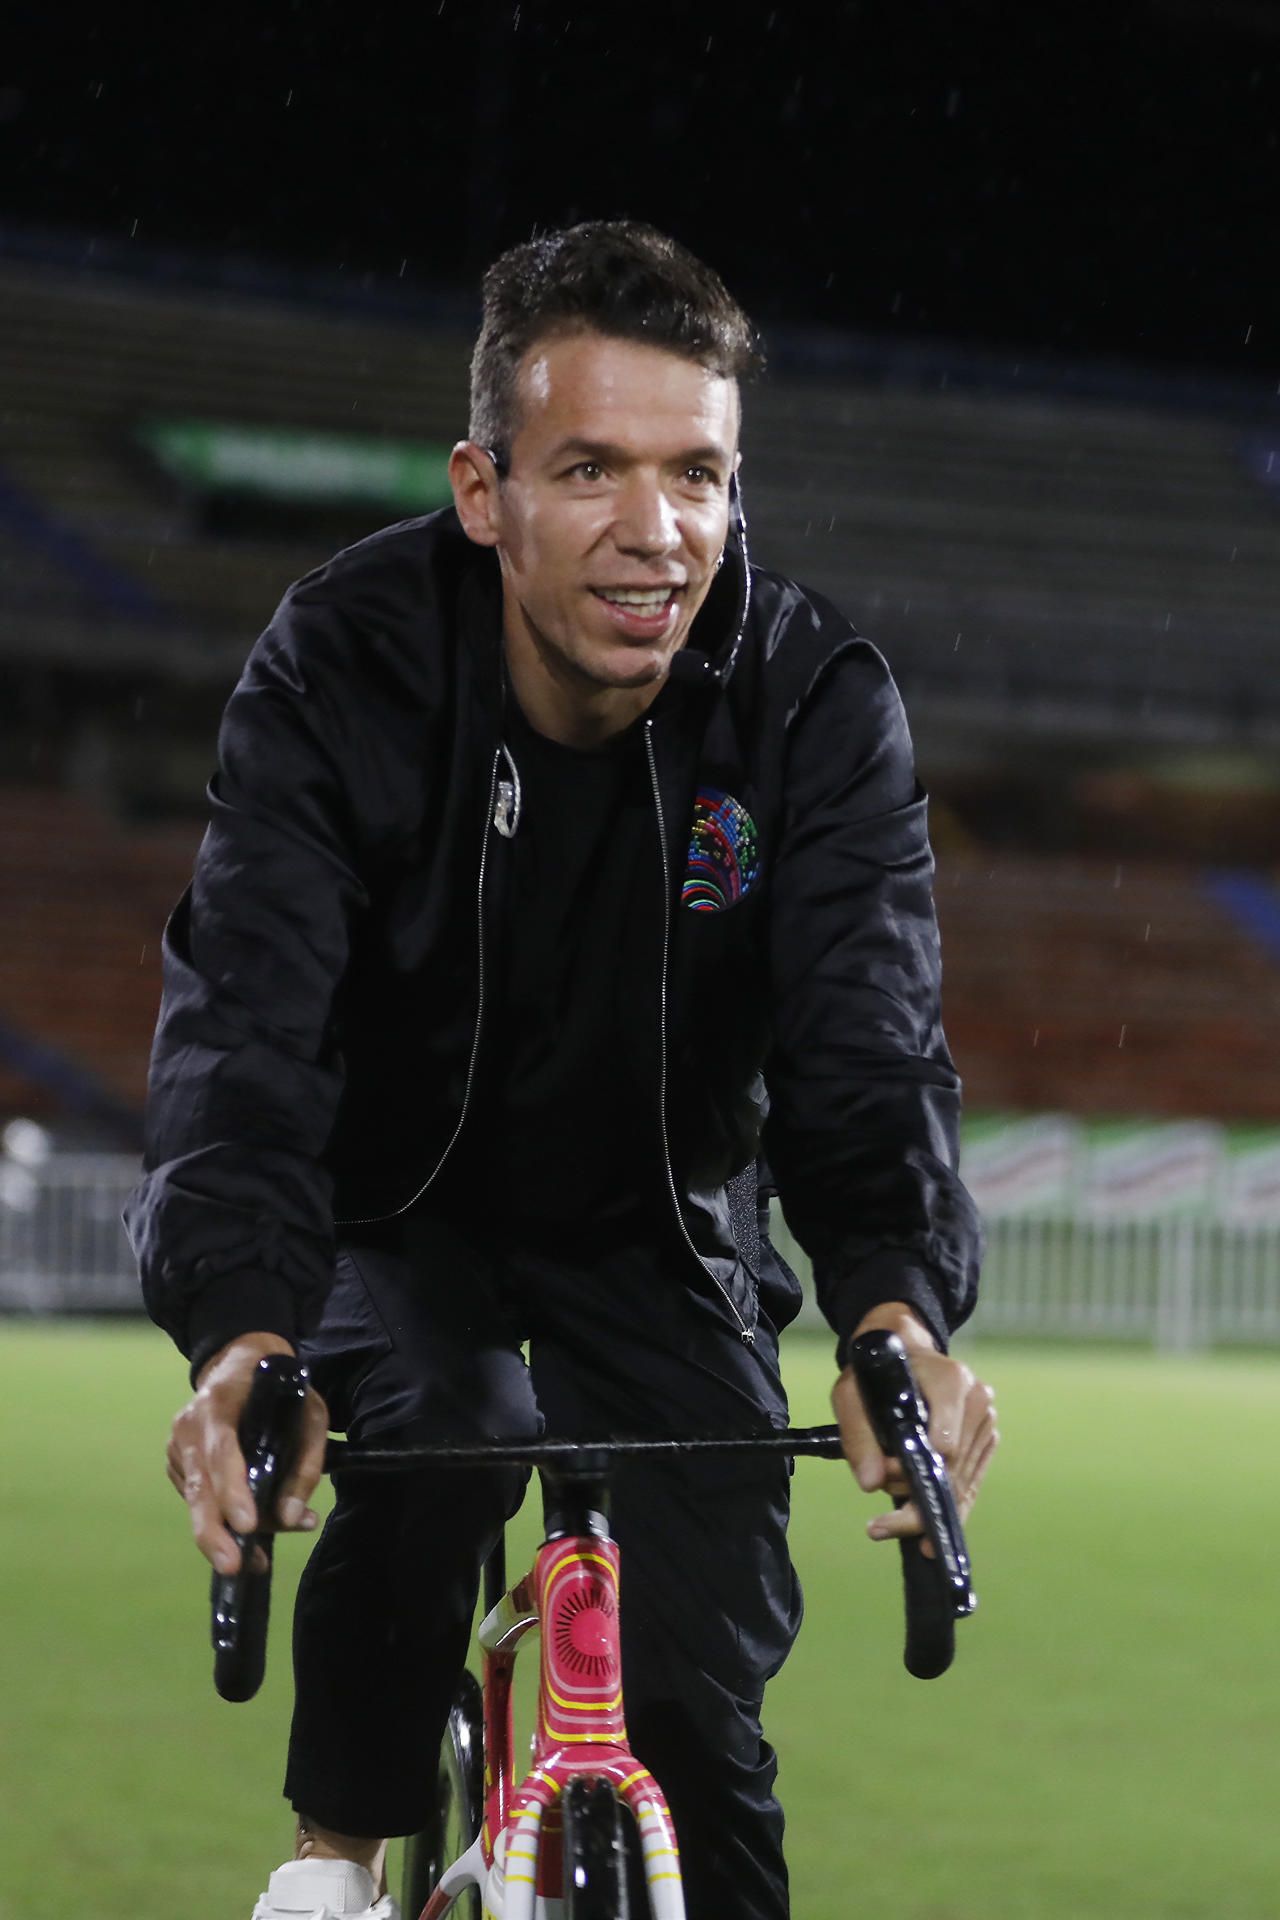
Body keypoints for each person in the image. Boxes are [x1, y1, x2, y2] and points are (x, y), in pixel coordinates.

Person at [126, 221, 997, 1920]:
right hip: (398, 1216)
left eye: (699, 475)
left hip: (659, 1229)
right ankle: (336, 1867)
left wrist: (897, 1311)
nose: (655, 531)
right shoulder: (341, 665)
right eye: (590, 466)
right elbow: (247, 1027)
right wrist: (241, 1323)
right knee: (445, 1424)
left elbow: (868, 1044)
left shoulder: (815, 700)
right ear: (482, 489)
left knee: (700, 1710)